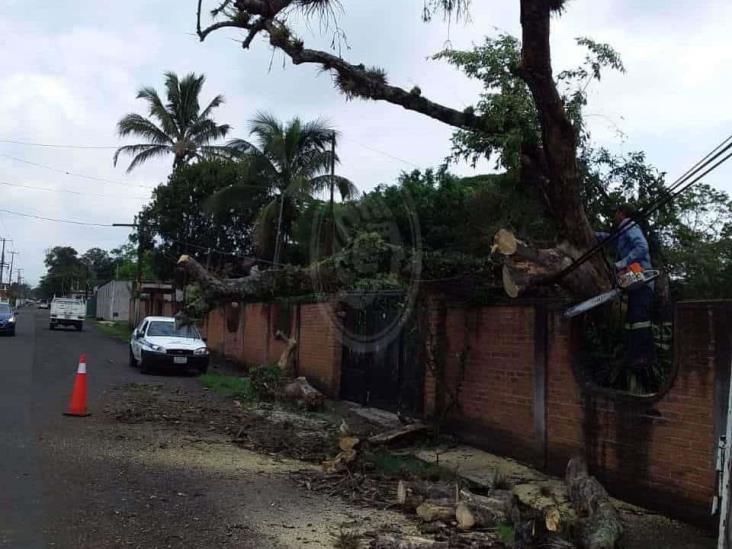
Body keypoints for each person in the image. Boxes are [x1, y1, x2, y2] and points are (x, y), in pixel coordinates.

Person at [596, 204, 655, 367]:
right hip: (636, 280)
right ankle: (633, 354)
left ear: (621, 213)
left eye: (616, 212)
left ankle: (643, 356)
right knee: (632, 318)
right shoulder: (623, 232)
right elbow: (612, 240)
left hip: (642, 276)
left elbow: (642, 247)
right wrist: (595, 236)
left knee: (639, 317)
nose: (614, 215)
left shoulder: (629, 225)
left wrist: (623, 262)